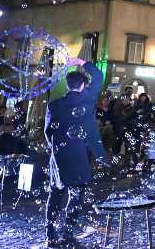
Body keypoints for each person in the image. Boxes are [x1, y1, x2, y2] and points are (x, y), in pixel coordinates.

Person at [44, 57, 107, 247]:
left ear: (68, 85)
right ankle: (68, 232)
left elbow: (48, 131)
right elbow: (98, 76)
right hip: (79, 155)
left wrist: (55, 149)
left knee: (55, 194)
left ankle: (51, 234)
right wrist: (81, 61)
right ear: (83, 86)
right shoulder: (87, 100)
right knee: (76, 195)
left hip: (59, 156)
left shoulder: (54, 104)